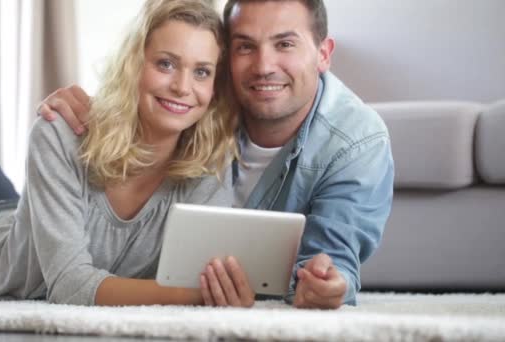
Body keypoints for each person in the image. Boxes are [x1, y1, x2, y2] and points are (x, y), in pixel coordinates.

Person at [0, 0, 260, 307]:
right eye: (165, 63)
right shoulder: (63, 131)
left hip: (33, 225)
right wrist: (192, 295)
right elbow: (70, 286)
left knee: (22, 219)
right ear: (134, 65)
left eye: (201, 71)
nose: (182, 87)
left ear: (216, 87)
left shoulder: (209, 169)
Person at [39, 0, 395, 309]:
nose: (263, 65)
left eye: (285, 43)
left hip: (100, 264)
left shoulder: (356, 142)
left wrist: (328, 285)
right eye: (245, 46)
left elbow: (334, 263)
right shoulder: (198, 108)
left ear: (323, 54)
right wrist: (87, 108)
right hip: (23, 241)